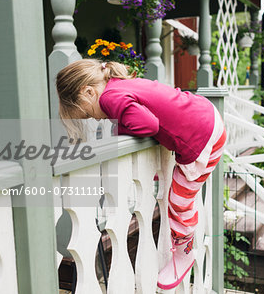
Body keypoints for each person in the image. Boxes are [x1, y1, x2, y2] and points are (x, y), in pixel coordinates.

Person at [56, 59, 226, 290]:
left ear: (89, 92)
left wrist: (119, 133)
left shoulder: (109, 97)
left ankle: (184, 252)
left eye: (88, 114)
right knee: (176, 191)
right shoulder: (116, 84)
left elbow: (148, 125)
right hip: (205, 115)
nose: (95, 119)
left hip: (202, 138)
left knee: (179, 201)